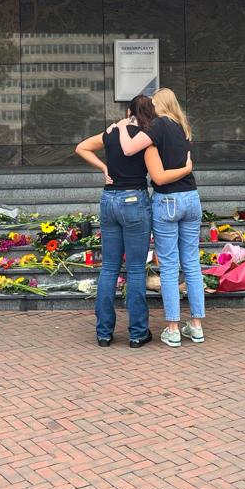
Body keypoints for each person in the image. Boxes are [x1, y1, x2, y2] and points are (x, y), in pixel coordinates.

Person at [75, 95, 191, 349]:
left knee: (109, 267)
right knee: (136, 268)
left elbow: (81, 147)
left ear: (128, 111)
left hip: (109, 200)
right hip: (135, 201)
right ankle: (137, 333)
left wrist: (104, 168)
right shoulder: (148, 135)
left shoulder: (111, 131)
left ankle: (104, 332)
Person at [114, 87, 203, 349]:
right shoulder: (182, 128)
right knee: (192, 264)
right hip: (192, 198)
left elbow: (130, 149)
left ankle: (174, 328)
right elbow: (183, 164)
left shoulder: (160, 125)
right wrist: (187, 169)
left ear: (160, 105)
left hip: (168, 201)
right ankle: (196, 326)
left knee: (168, 265)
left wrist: (121, 126)